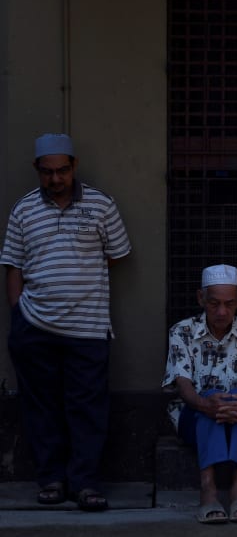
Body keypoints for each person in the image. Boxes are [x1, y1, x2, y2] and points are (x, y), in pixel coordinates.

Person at [1, 133, 131, 511]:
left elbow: (117, 254)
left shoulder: (101, 205)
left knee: (87, 408)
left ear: (74, 166)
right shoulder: (23, 210)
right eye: (47, 172)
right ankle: (52, 480)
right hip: (33, 327)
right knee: (41, 407)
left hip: (87, 328)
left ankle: (86, 484)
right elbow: (13, 265)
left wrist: (76, 279)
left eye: (62, 170)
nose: (55, 179)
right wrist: (18, 314)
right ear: (36, 170)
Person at [162, 264, 237, 524]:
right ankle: (208, 488)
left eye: (229, 303)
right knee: (213, 395)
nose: (222, 311)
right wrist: (204, 404)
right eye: (214, 303)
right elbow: (183, 383)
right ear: (201, 298)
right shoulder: (182, 331)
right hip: (194, 417)